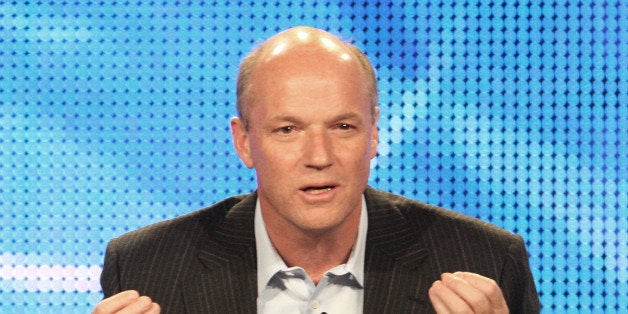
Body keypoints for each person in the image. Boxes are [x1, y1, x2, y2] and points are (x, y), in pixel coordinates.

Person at [92, 26, 540, 313]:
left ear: (374, 134)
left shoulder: (484, 261)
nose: (319, 155)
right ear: (244, 141)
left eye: (343, 126)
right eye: (288, 129)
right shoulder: (148, 268)